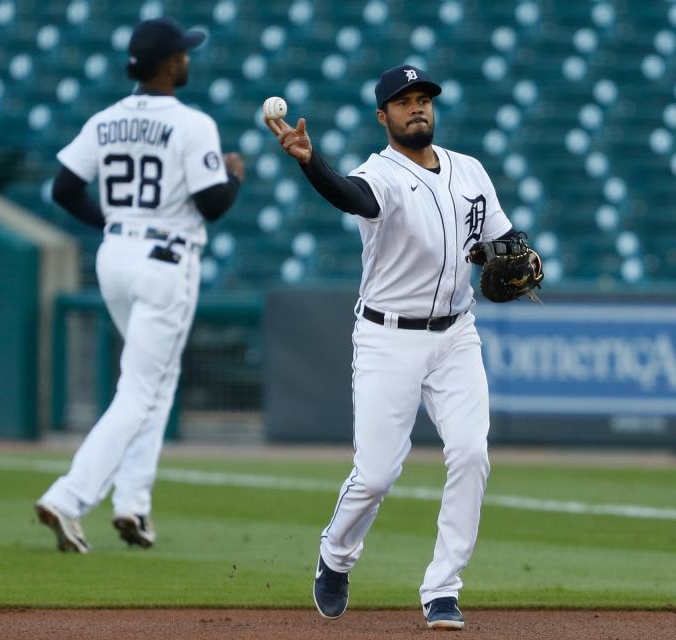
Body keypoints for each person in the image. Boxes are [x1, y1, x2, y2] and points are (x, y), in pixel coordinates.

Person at [265, 65, 538, 630]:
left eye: (424, 99)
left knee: (470, 454)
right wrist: (311, 162)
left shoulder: (470, 171)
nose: (417, 108)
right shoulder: (380, 174)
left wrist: (519, 252)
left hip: (457, 335)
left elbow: (504, 238)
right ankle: (336, 557)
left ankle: (443, 588)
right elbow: (350, 196)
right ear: (382, 116)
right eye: (403, 101)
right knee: (377, 474)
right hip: (388, 337)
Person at [35, 17, 244, 553]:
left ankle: (133, 503)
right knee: (140, 389)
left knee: (156, 381)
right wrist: (235, 175)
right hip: (165, 260)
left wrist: (109, 222)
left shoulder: (107, 119)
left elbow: (63, 189)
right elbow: (212, 203)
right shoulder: (191, 123)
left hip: (116, 256)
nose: (188, 60)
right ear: (171, 64)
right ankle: (69, 496)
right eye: (184, 54)